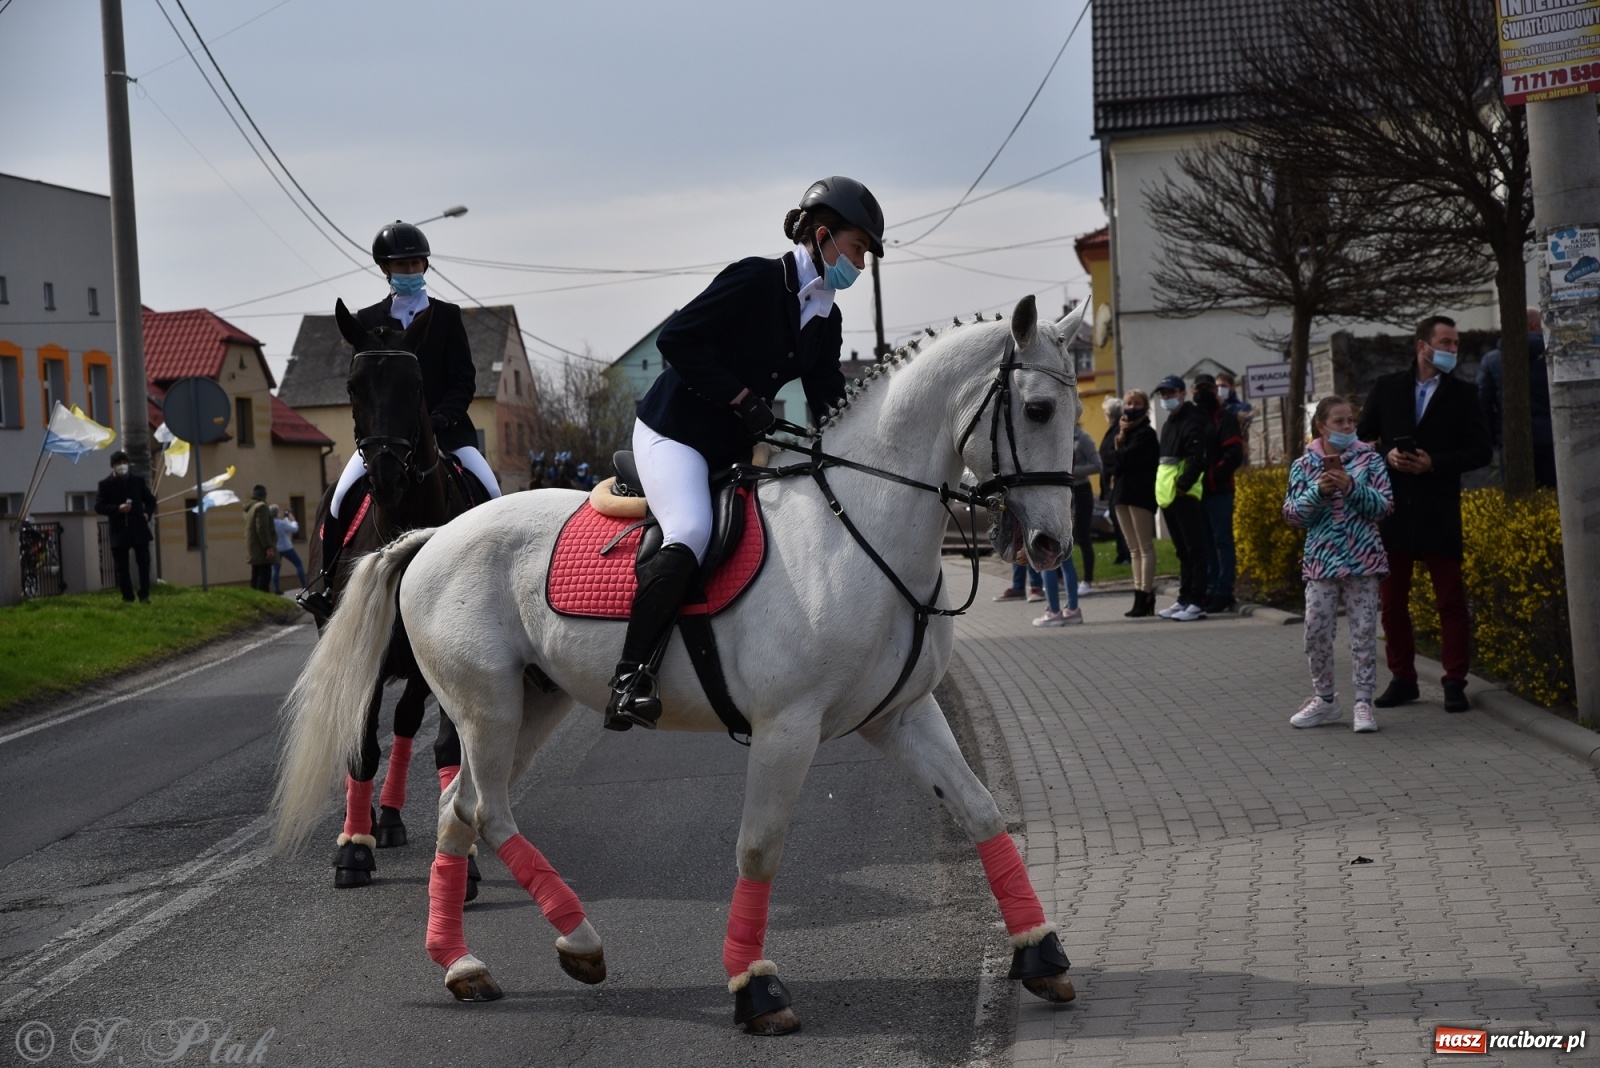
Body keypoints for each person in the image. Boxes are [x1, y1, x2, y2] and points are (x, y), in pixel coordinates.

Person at [606, 176, 883, 730]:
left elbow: (828, 398)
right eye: (857, 249)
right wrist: (741, 397)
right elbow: (677, 340)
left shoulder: (826, 315)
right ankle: (630, 676)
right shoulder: (755, 278)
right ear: (823, 236)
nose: (859, 265)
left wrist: (862, 446)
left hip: (730, 446)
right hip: (674, 433)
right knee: (690, 529)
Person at [305, 221, 503, 615]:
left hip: (447, 435)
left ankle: (500, 585)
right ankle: (325, 585)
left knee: (494, 496)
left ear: (425, 265)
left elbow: (464, 379)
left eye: (415, 263)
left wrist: (442, 417)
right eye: (401, 265)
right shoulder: (367, 319)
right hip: (387, 438)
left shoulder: (447, 316)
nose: (409, 270)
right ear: (386, 269)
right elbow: (363, 385)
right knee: (338, 497)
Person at [1356, 315, 1492, 713]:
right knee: (1392, 602)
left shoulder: (1464, 394)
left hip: (1439, 509)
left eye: (1455, 344)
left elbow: (1481, 451)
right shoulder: (1388, 387)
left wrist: (1435, 463)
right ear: (1422, 346)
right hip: (1394, 509)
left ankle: (1454, 681)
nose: (1452, 350)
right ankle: (1403, 679)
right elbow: (1362, 439)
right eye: (1446, 342)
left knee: (1450, 601)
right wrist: (1388, 455)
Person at [1283, 396, 1394, 732]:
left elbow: (1384, 507)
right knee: (1316, 630)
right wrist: (1318, 491)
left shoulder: (1370, 459)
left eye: (1351, 421)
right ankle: (1325, 699)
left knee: (1363, 632)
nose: (1348, 427)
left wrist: (1352, 488)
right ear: (1321, 426)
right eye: (1340, 421)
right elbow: (1293, 516)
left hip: (1364, 560)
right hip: (1321, 561)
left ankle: (1363, 702)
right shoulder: (1304, 465)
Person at [1477, 306, 1556, 489]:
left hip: (1512, 440)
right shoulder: (1554, 358)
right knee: (1553, 495)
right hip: (1551, 439)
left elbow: (1483, 403)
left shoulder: (1492, 360)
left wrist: (1494, 439)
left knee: (1519, 496)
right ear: (1534, 325)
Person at [1154, 375, 1209, 621]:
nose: (1166, 397)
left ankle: (1197, 602)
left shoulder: (1192, 418)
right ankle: (1185, 598)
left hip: (1185, 495)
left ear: (1182, 393)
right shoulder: (1170, 422)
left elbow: (1197, 457)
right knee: (1182, 551)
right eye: (1163, 394)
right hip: (1169, 496)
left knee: (1195, 549)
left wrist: (1182, 486)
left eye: (1170, 392)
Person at [1193, 373, 1245, 612]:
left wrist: (1213, 476)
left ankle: (1224, 590)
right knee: (1205, 543)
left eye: (1208, 388)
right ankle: (1210, 588)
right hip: (1197, 492)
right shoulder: (1195, 419)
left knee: (1222, 542)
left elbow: (1234, 453)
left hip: (1219, 491)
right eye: (1199, 389)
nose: (1203, 393)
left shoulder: (1225, 418)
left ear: (1215, 391)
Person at [1112, 389, 1159, 617]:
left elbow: (1124, 459)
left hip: (1140, 494)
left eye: (1137, 403)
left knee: (1144, 546)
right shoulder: (1122, 432)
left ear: (1145, 407)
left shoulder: (1146, 433)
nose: (1132, 407)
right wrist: (1116, 457)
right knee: (1133, 549)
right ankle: (1138, 595)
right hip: (1121, 494)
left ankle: (1146, 594)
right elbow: (1109, 458)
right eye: (1129, 403)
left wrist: (1115, 458)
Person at [94, 450, 157, 603]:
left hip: (139, 529)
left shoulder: (137, 481)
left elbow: (150, 500)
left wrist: (147, 514)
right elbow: (99, 506)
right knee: (122, 567)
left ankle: (144, 595)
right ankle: (128, 597)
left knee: (144, 563)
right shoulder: (105, 484)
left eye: (124, 463)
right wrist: (117, 509)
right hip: (119, 531)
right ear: (113, 466)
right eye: (118, 463)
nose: (122, 466)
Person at [1097, 395, 1131, 565]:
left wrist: (1111, 472)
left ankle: (1127, 554)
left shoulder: (1119, 430)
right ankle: (1122, 553)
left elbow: (1114, 455)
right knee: (1116, 519)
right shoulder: (1113, 429)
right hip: (1111, 482)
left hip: (1116, 481)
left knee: (1120, 520)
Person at [1070, 421, 1102, 596]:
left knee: (1083, 535)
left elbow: (1097, 465)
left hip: (1081, 489)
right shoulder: (1058, 435)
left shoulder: (1082, 438)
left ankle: (1088, 580)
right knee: (1063, 536)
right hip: (1064, 490)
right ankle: (1062, 579)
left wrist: (1074, 470)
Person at [243, 484, 276, 592]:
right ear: (264, 495)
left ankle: (255, 597)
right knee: (264, 576)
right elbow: (262, 529)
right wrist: (268, 547)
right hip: (261, 548)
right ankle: (263, 597)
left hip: (253, 547)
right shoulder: (261, 507)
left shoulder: (249, 508)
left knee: (255, 574)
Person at [271, 504, 307, 594]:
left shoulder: (271, 523)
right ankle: (304, 584)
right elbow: (294, 529)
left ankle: (276, 589)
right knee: (298, 563)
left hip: (276, 548)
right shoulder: (281, 523)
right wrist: (293, 520)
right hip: (286, 547)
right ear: (277, 513)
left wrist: (286, 520)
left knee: (276, 569)